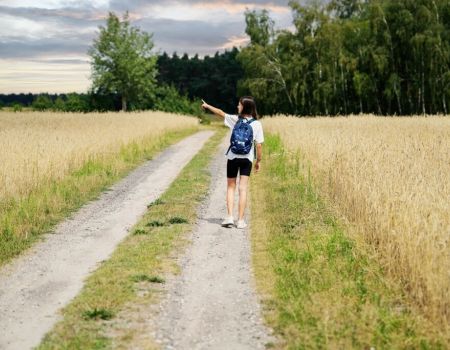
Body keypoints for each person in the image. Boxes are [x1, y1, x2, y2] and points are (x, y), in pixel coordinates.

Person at [201, 96, 264, 229]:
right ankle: (240, 220)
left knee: (231, 186)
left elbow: (220, 112)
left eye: (239, 105)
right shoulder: (257, 124)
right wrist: (258, 161)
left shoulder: (235, 120)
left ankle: (229, 217)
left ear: (244, 107)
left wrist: (207, 106)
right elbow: (259, 146)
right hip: (247, 159)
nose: (237, 107)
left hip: (233, 157)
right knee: (243, 188)